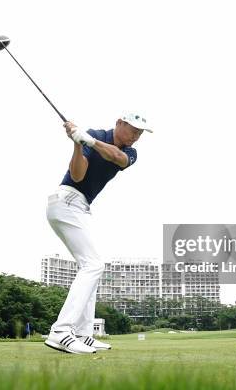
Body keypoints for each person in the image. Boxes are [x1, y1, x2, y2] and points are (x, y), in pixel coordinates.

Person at [44, 113, 152, 354]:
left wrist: (88, 142)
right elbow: (77, 176)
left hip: (80, 207)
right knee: (93, 265)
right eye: (133, 130)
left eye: (140, 133)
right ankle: (61, 331)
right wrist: (77, 143)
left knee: (91, 266)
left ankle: (83, 333)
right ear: (119, 123)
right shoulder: (94, 135)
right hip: (66, 202)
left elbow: (118, 158)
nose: (136, 136)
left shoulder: (128, 152)